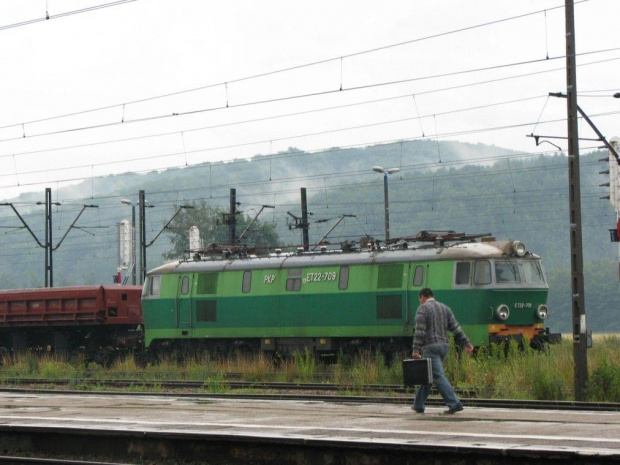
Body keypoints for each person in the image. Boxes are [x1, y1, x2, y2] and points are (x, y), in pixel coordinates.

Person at [411, 287, 474, 414]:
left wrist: (415, 350)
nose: (420, 301)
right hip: (444, 346)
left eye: (420, 299)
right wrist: (466, 343)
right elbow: (456, 328)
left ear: (422, 297)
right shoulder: (445, 308)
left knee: (438, 376)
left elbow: (419, 331)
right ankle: (418, 405)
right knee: (428, 375)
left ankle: (454, 403)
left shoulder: (422, 308)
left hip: (431, 347)